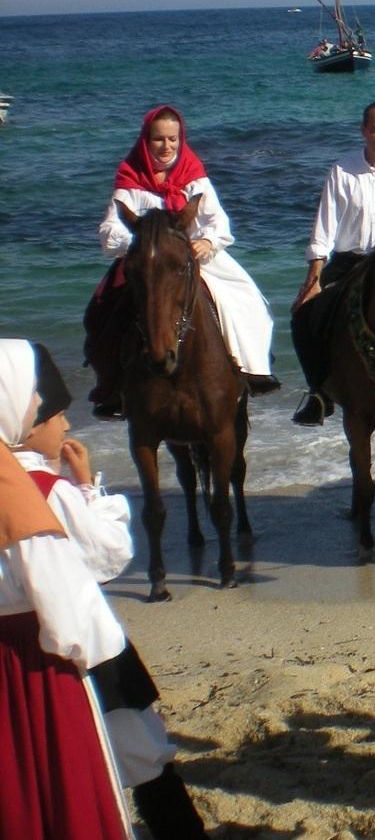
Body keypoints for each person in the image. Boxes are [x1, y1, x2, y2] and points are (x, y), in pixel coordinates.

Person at [1, 340, 207, 839]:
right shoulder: (40, 493)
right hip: (67, 649)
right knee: (136, 746)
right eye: (51, 414)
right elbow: (106, 556)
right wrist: (90, 488)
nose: (66, 425)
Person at [84, 104, 279, 419]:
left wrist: (207, 241)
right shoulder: (129, 175)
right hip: (146, 261)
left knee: (247, 300)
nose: (166, 146)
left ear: (181, 138)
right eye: (159, 139)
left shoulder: (194, 174)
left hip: (194, 258)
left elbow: (219, 223)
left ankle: (252, 370)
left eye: (172, 139)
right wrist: (141, 242)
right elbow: (109, 229)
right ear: (146, 140)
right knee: (102, 312)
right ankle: (111, 388)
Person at [0, 442, 132, 840]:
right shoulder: (29, 487)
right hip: (32, 653)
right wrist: (87, 489)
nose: (66, 424)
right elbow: (81, 585)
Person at [289, 101, 375, 426]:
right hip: (349, 261)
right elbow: (325, 226)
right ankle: (319, 393)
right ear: (364, 131)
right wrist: (314, 277)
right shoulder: (341, 171)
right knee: (303, 317)